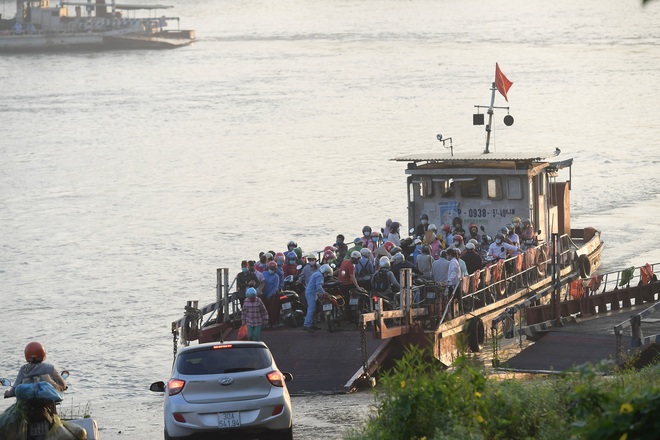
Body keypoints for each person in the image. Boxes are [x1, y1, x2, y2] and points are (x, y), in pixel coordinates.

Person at [302, 264, 333, 332]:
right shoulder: (320, 275)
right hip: (311, 293)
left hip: (310, 292)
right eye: (326, 273)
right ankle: (306, 325)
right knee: (311, 309)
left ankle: (312, 324)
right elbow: (319, 286)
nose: (326, 275)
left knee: (314, 308)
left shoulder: (316, 273)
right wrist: (324, 293)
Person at [262, 261, 283, 326]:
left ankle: (273, 322)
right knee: (264, 309)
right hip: (263, 294)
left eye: (274, 269)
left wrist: (269, 295)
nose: (272, 270)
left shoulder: (276, 276)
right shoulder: (263, 274)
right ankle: (265, 322)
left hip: (272, 295)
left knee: (272, 309)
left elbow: (275, 287)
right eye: (271, 268)